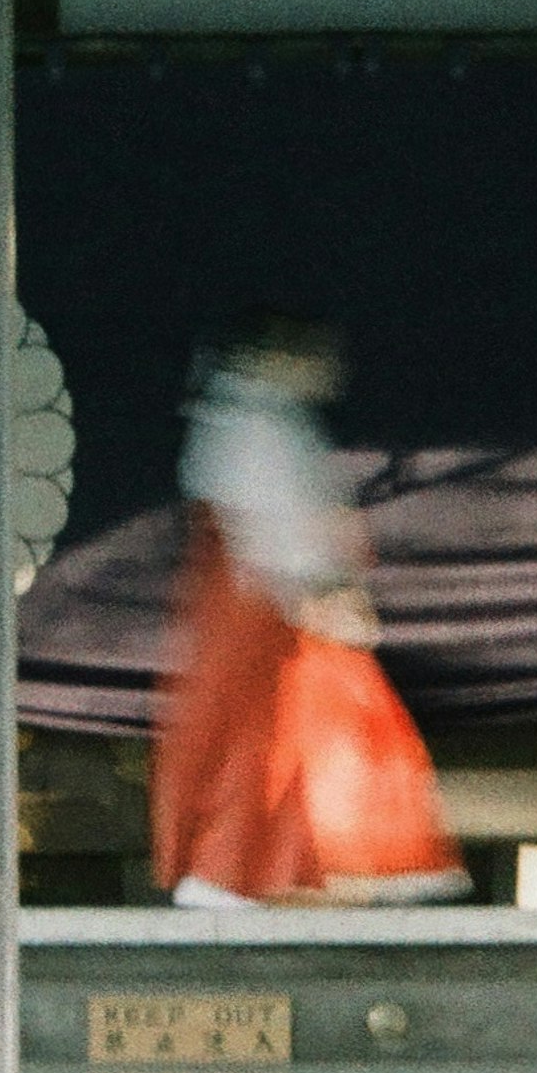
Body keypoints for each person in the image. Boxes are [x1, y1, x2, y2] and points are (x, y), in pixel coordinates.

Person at [149, 314, 466, 908]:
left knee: (298, 743)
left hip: (275, 603)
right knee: (281, 746)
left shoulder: (262, 419)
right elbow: (267, 527)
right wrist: (316, 592)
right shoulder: (250, 424)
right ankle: (256, 871)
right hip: (270, 609)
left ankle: (293, 871)